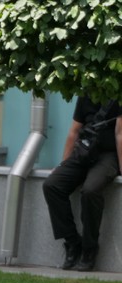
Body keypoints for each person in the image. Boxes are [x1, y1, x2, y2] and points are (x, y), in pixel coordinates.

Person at [43, 95, 122, 271]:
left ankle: (89, 248)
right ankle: (72, 242)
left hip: (107, 156)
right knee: (52, 185)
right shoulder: (87, 93)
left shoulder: (118, 95)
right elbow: (74, 131)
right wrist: (63, 164)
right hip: (85, 150)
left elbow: (120, 134)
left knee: (90, 190)